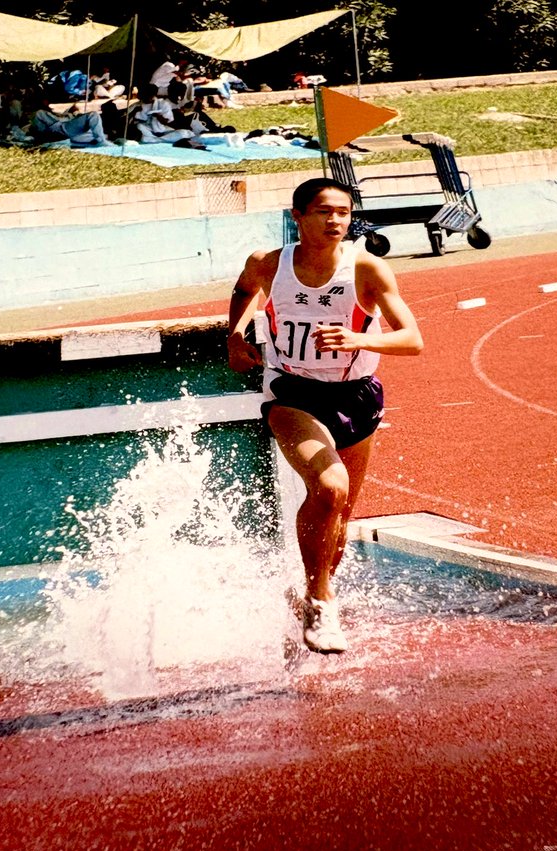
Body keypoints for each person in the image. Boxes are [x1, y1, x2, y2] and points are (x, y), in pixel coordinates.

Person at [226, 177, 423, 654]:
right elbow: (243, 289)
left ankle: (309, 598)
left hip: (356, 398)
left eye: (343, 212)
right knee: (329, 486)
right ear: (297, 216)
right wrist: (234, 334)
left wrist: (361, 339)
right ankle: (320, 601)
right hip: (293, 393)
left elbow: (413, 339)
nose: (335, 220)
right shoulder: (269, 264)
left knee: (340, 517)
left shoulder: (367, 269)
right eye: (323, 211)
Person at [132, 84, 201, 146]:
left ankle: (156, 140)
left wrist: (157, 116)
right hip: (147, 130)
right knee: (139, 126)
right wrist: (134, 112)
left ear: (153, 94)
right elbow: (129, 120)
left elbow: (167, 122)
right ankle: (156, 139)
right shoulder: (137, 105)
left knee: (185, 133)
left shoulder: (163, 104)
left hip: (164, 130)